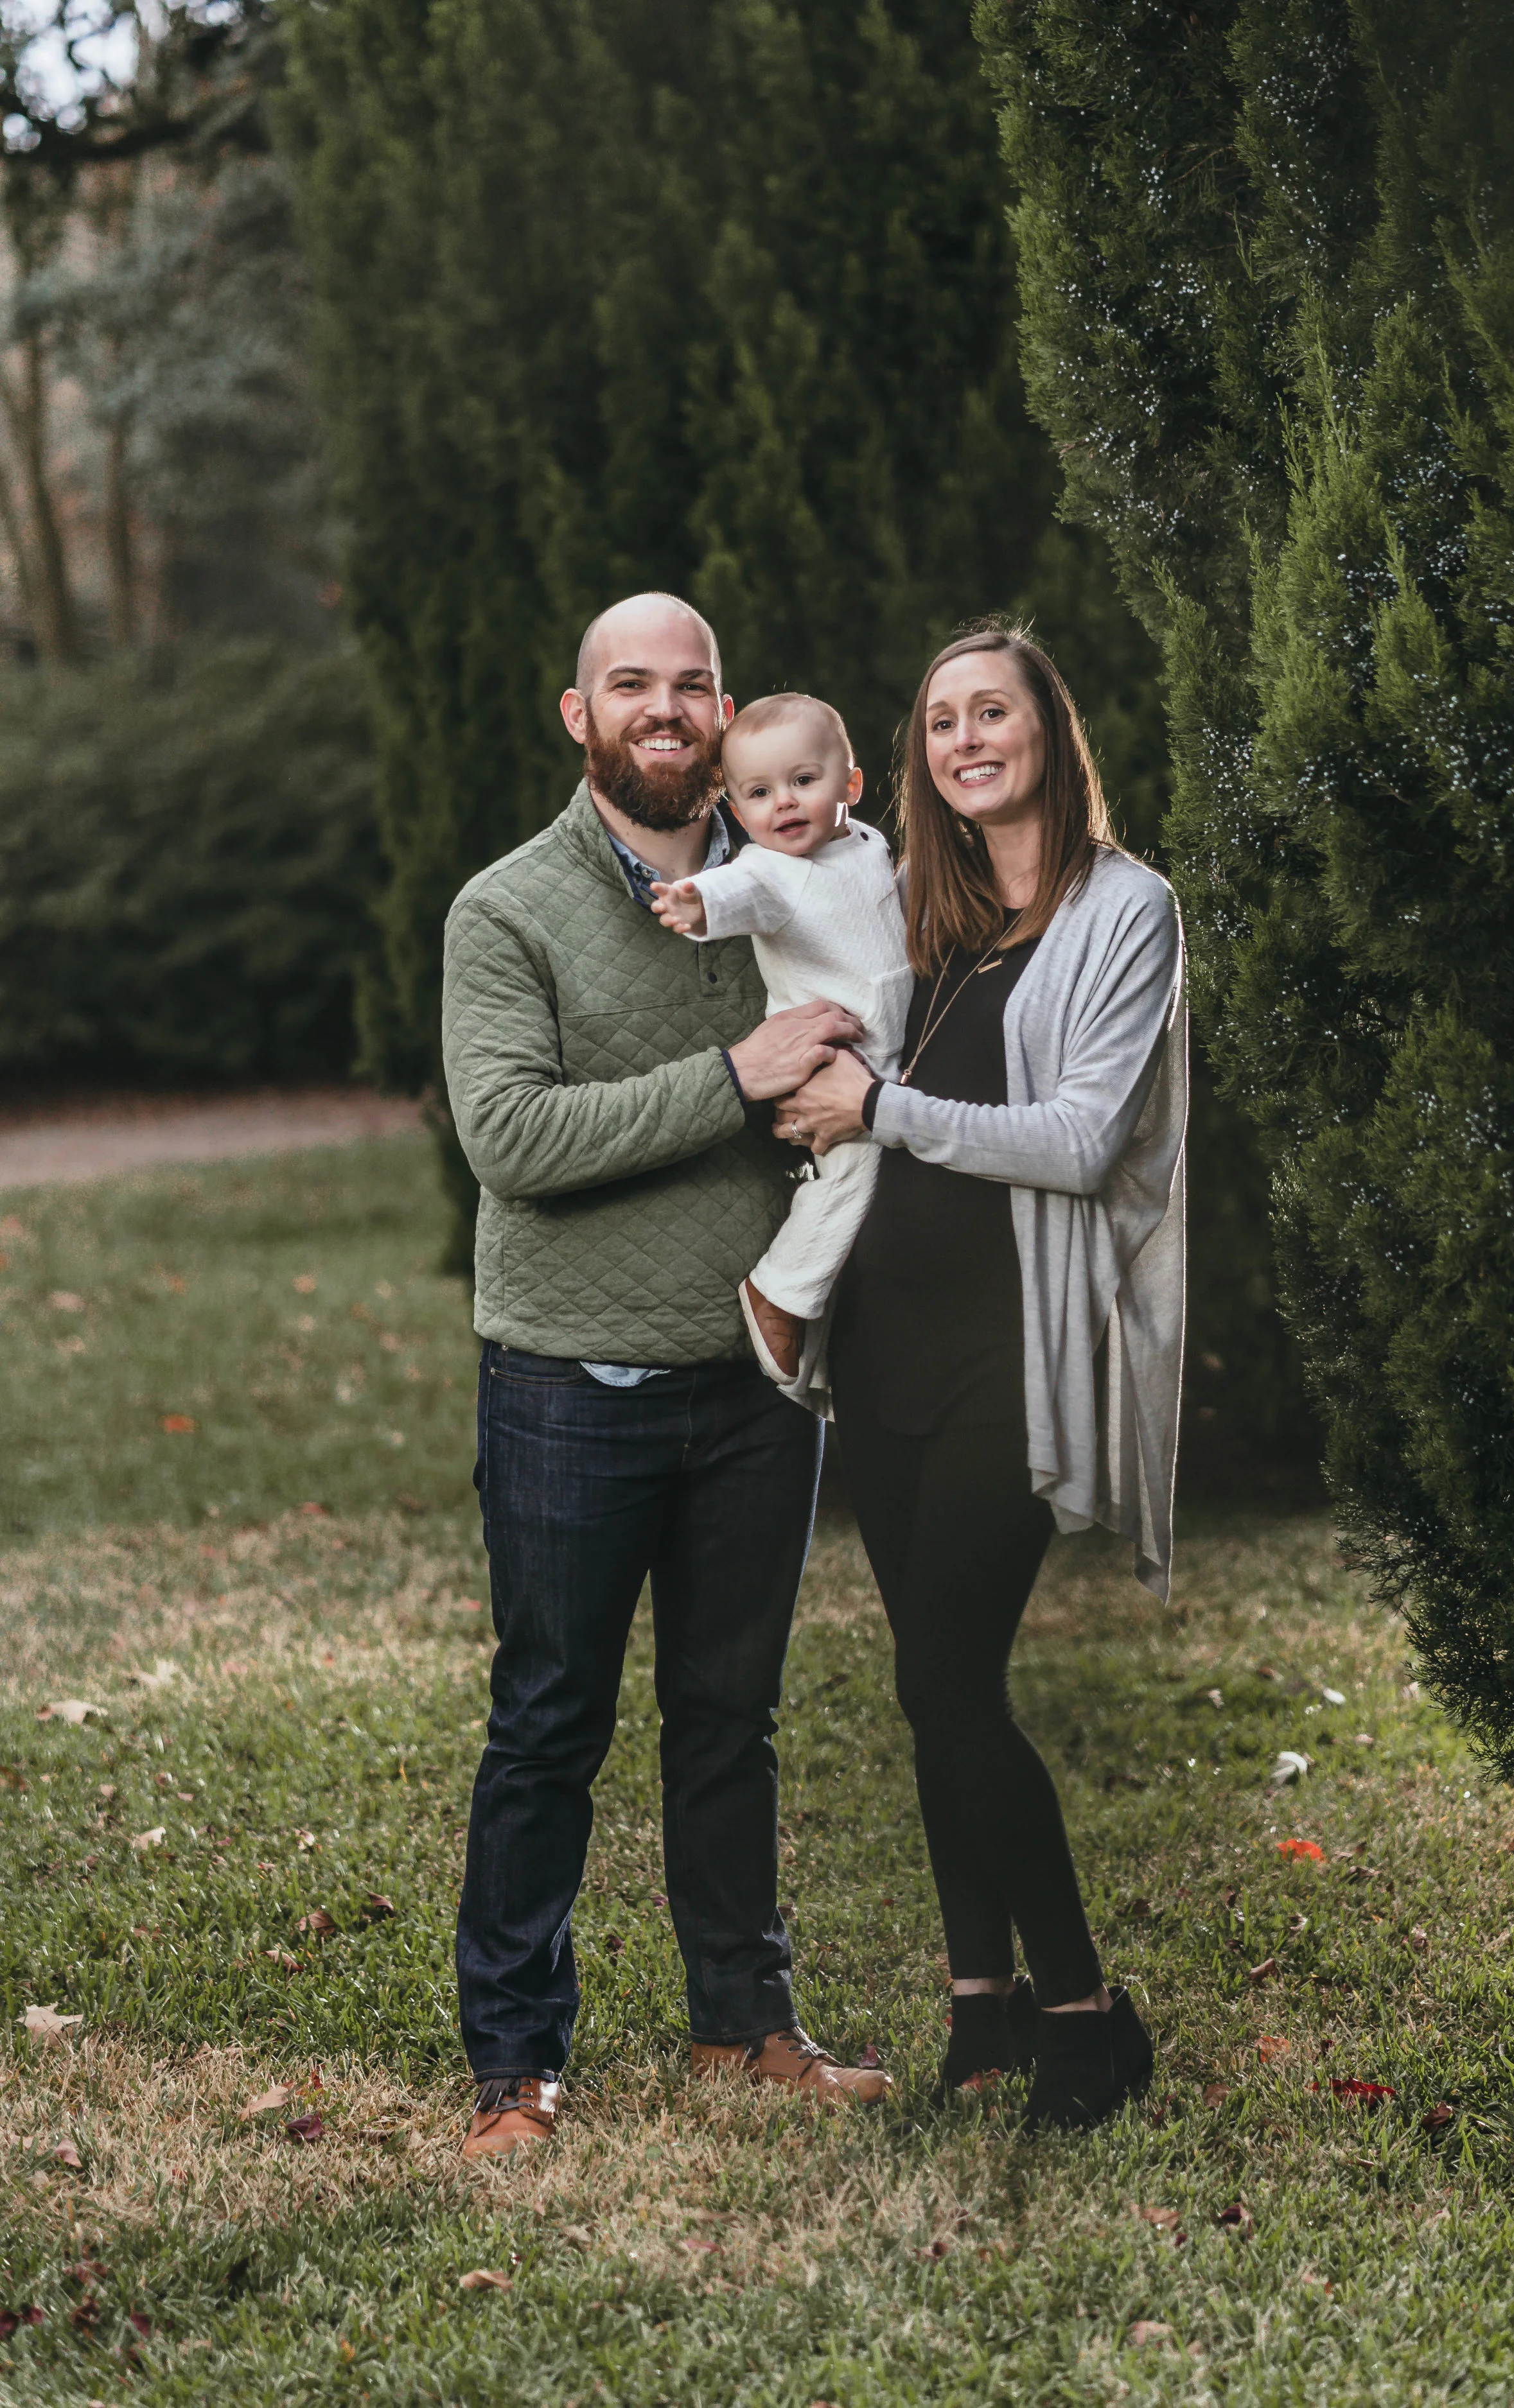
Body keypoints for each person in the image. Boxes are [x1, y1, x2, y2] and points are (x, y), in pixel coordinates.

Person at [441, 592, 892, 2161]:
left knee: (729, 1714)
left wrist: (859, 1097)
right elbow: (515, 1140)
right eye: (629, 683)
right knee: (550, 1717)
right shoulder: (507, 911)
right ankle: (514, 2061)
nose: (664, 707)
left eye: (689, 684)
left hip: (760, 1383)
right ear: (580, 715)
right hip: (571, 1384)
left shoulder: (796, 887)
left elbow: (889, 1019)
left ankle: (743, 2023)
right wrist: (737, 1078)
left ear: (723, 713)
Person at [776, 627, 1186, 2131]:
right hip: (886, 1343)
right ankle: (979, 2011)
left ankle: (1081, 2007)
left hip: (1023, 1347)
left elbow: (1083, 1140)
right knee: (929, 1679)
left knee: (949, 1674)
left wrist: (881, 1103)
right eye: (940, 719)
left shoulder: (1124, 910)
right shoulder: (919, 912)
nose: (963, 737)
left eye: (989, 708)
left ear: (1044, 728)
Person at [649, 690, 911, 1394]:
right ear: (736, 812)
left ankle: (829, 1317)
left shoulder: (870, 846)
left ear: (849, 786)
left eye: (803, 781)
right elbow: (736, 891)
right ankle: (780, 1290)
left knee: (881, 1186)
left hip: (887, 1055)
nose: (784, 805)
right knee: (853, 1175)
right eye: (759, 794)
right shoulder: (771, 872)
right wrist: (695, 901)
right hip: (828, 1061)